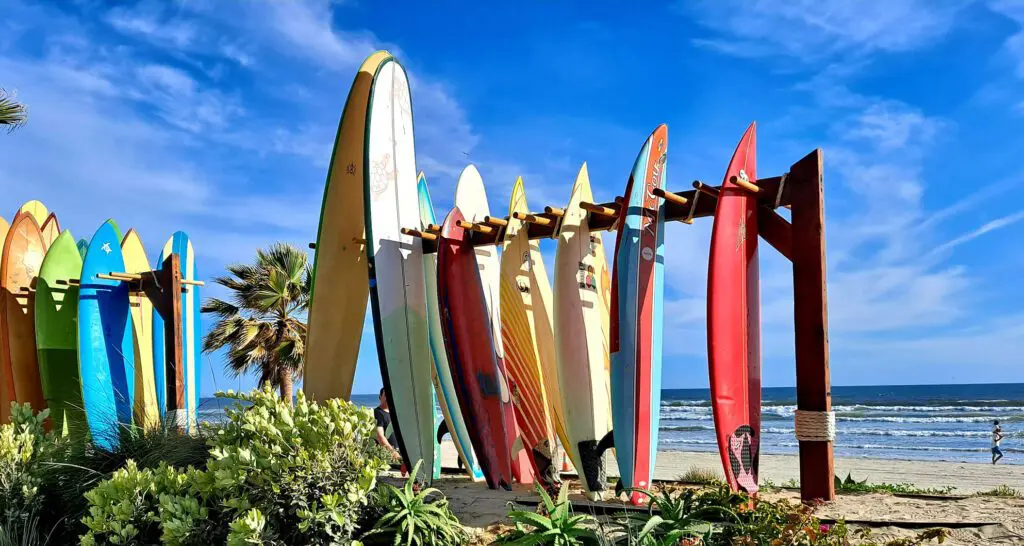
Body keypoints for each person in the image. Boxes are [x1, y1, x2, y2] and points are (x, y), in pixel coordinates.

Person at [374, 388, 400, 462]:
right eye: (386, 395)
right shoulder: (378, 413)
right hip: (386, 457)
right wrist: (392, 452)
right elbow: (380, 436)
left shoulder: (394, 414)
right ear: (380, 397)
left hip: (397, 454)